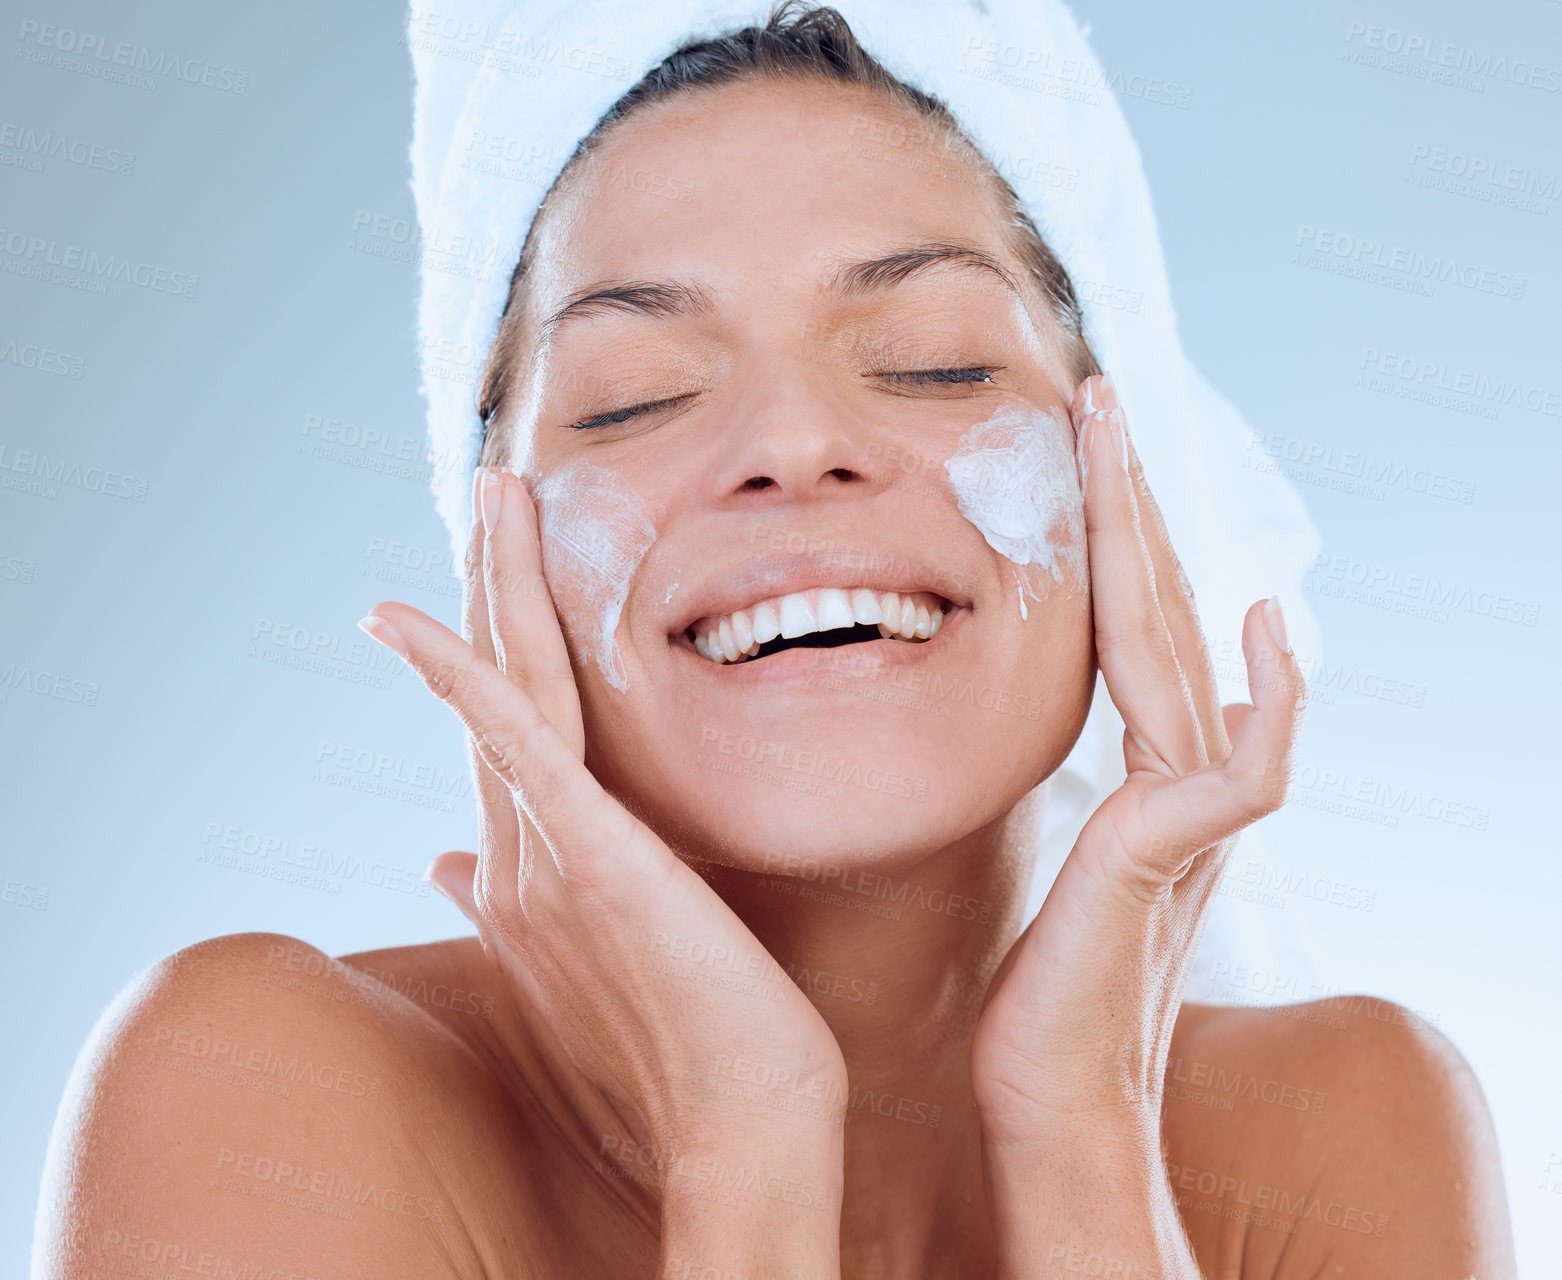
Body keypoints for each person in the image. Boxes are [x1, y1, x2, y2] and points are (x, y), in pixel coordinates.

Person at [34, 6, 1514, 1278]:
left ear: (1130, 488)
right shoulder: (262, 1085)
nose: (795, 444)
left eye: (930, 360)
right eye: (632, 397)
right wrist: (747, 1135)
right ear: (500, 559)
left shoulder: (1347, 1125)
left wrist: (1078, 1119)